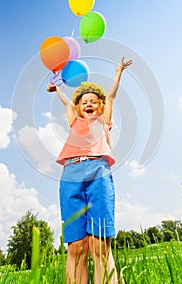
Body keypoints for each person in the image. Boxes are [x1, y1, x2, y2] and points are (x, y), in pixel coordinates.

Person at [48, 56, 132, 284]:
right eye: (84, 101)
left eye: (94, 101)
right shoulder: (75, 122)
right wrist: (57, 88)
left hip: (98, 171)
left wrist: (118, 73)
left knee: (99, 242)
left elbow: (112, 95)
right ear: (78, 107)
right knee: (76, 246)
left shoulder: (103, 121)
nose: (89, 104)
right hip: (71, 174)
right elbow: (67, 103)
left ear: (101, 106)